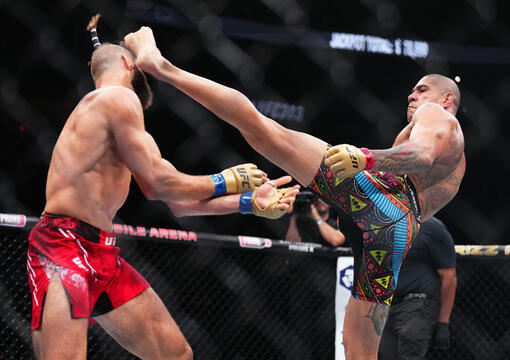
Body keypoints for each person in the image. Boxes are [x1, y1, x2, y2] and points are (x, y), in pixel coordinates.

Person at [124, 27, 465, 360]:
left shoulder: (436, 116)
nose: (413, 96)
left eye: (421, 90)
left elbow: (420, 155)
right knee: (358, 352)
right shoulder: (458, 161)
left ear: (447, 99)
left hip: (382, 198)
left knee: (264, 130)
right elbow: (407, 200)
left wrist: (365, 158)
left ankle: (162, 66)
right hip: (399, 231)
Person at [27, 18, 300, 360]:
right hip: (64, 247)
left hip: (101, 251)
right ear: (128, 64)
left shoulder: (123, 129)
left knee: (175, 354)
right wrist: (227, 179)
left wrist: (247, 202)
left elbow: (179, 202)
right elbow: (159, 185)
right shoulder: (116, 98)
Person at [378, 216, 457, 360]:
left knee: (410, 355)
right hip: (386, 305)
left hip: (417, 303)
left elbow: (449, 276)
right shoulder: (381, 224)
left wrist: (443, 322)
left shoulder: (432, 228)